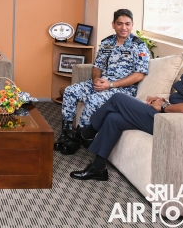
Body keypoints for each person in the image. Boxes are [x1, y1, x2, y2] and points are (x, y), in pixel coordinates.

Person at [70, 24, 183, 181]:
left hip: (173, 123)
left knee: (118, 99)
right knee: (114, 118)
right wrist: (164, 100)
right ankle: (98, 168)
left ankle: (86, 133)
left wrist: (164, 106)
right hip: (168, 114)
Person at [56, 9, 150, 155]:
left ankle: (78, 138)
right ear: (113, 25)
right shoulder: (107, 43)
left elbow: (139, 75)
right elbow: (97, 66)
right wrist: (96, 80)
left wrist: (111, 85)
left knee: (93, 100)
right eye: (120, 23)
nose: (123, 27)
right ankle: (66, 134)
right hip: (102, 83)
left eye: (127, 24)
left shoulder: (139, 46)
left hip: (122, 90)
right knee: (70, 91)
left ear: (132, 25)